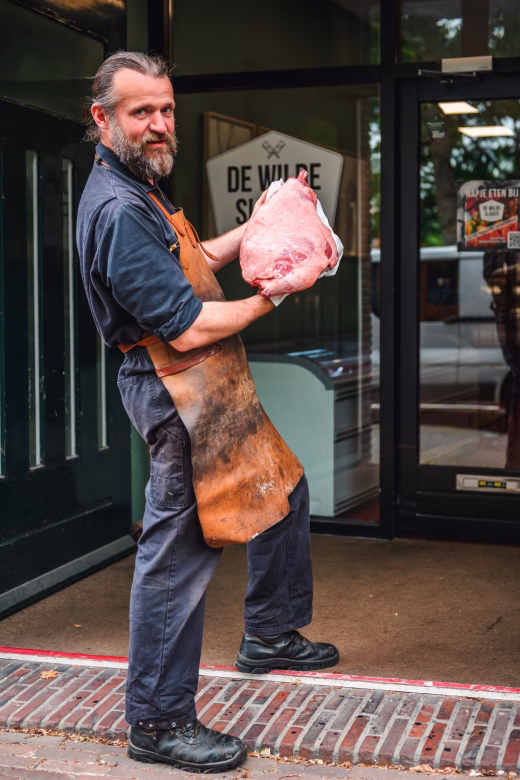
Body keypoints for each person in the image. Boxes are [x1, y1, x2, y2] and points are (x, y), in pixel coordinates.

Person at [76, 51, 339, 772]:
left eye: (165, 108)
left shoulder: (146, 188)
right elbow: (188, 324)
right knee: (177, 559)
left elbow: (194, 261)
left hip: (209, 383)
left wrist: (258, 229)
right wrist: (281, 288)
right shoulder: (117, 210)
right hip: (177, 392)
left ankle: (272, 634)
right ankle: (157, 723)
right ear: (102, 118)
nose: (160, 124)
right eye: (141, 113)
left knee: (283, 489)